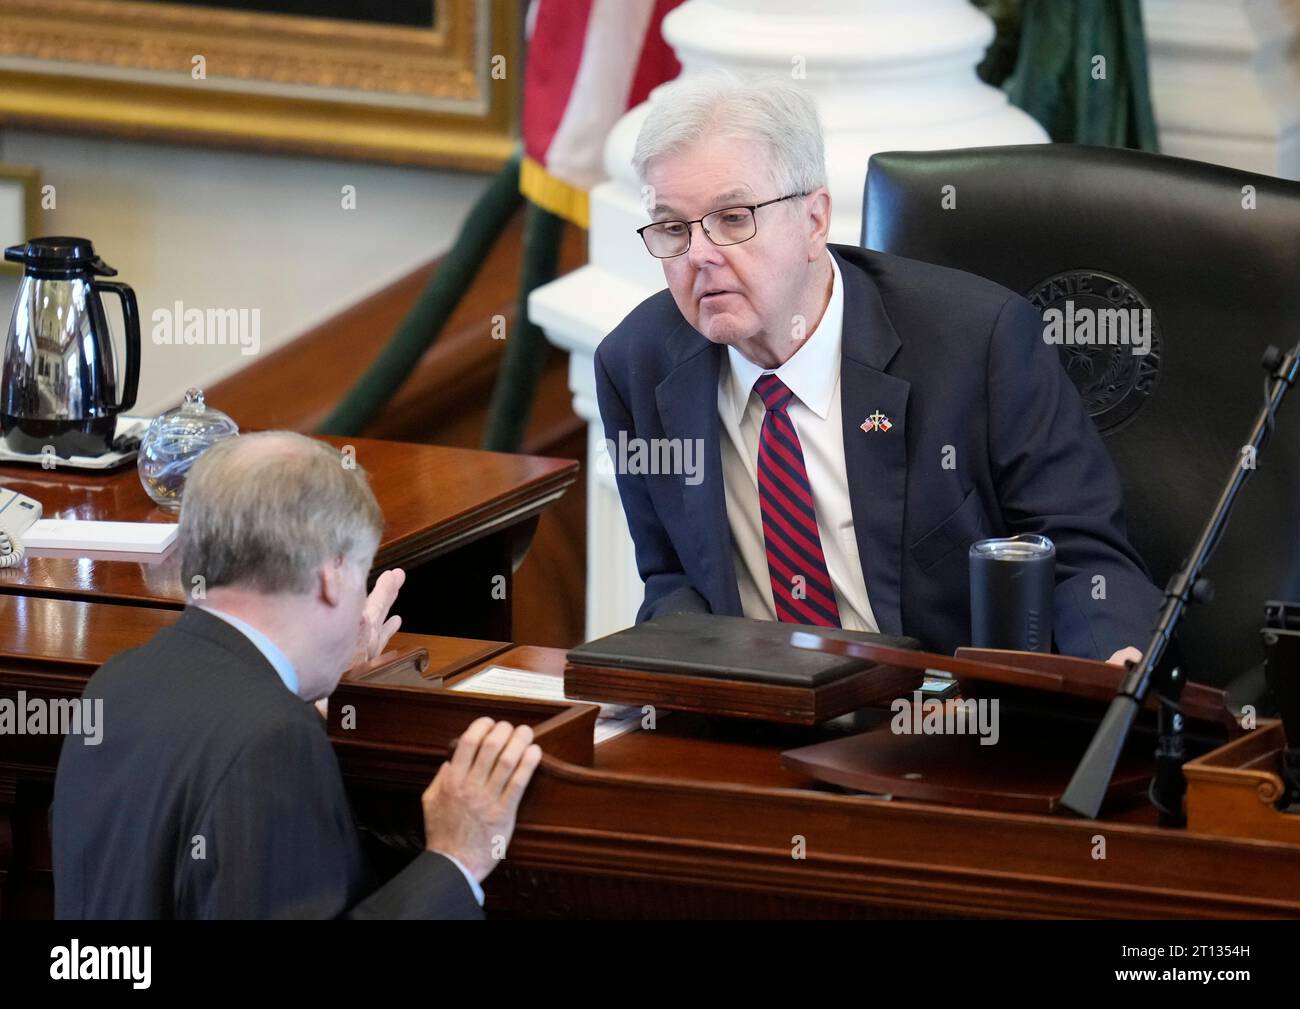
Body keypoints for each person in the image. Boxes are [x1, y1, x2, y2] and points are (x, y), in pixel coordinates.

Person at [595, 71, 1162, 663]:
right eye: (671, 228)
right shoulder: (637, 365)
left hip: (949, 714)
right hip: (761, 717)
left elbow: (1079, 558)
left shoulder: (981, 343)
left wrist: (1113, 670)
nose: (699, 256)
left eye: (733, 218)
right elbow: (672, 579)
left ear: (814, 221)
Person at [52, 431, 542, 919]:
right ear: (331, 577)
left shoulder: (117, 683)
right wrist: (455, 861)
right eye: (362, 575)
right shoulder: (275, 743)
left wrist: (313, 671)